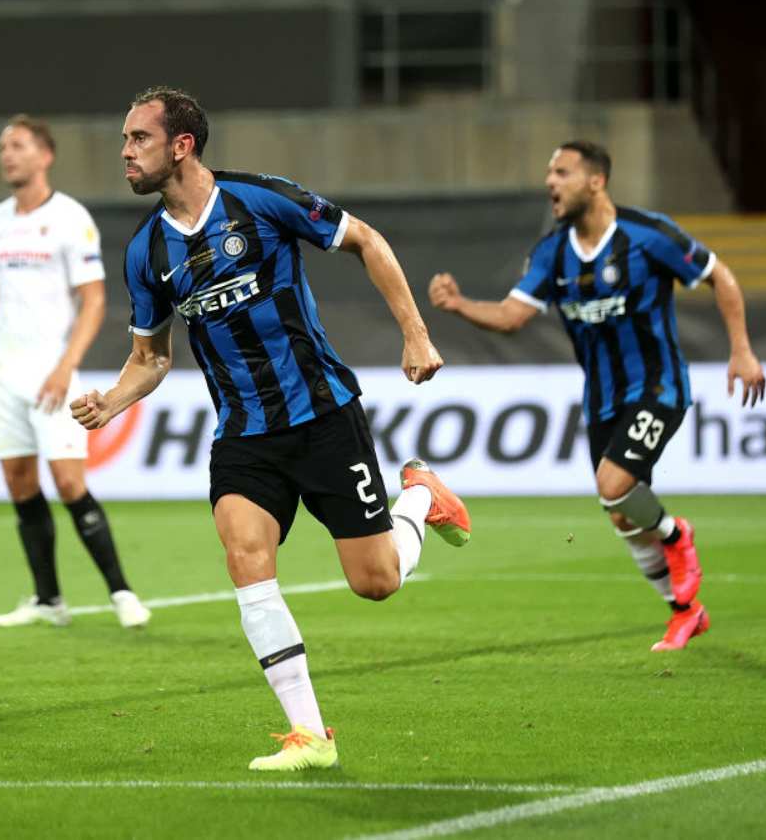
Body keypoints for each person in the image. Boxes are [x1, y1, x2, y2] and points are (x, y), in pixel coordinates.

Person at [70, 87, 471, 771]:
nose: (125, 153)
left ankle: (420, 497)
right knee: (245, 557)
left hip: (322, 415)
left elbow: (365, 239)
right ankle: (311, 735)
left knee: (375, 581)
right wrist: (112, 401)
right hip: (244, 435)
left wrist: (415, 333)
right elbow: (152, 356)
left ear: (181, 145)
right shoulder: (146, 252)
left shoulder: (260, 200)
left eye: (137, 138)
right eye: (125, 139)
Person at [429, 140, 766, 653]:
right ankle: (686, 611)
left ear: (596, 181)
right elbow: (512, 317)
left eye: (562, 172)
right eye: (549, 173)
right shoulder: (552, 252)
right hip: (603, 400)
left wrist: (741, 350)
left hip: (658, 387)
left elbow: (719, 274)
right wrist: (458, 305)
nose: (550, 183)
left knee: (614, 484)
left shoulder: (647, 235)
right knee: (621, 515)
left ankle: (676, 536)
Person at [0, 114, 150, 630]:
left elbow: (94, 301)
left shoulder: (70, 218)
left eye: (18, 145)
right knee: (20, 484)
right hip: (2, 374)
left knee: (69, 482)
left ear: (44, 155)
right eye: (3, 146)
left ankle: (122, 592)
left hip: (51, 374)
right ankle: (49, 600)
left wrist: (64, 367)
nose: (7, 154)